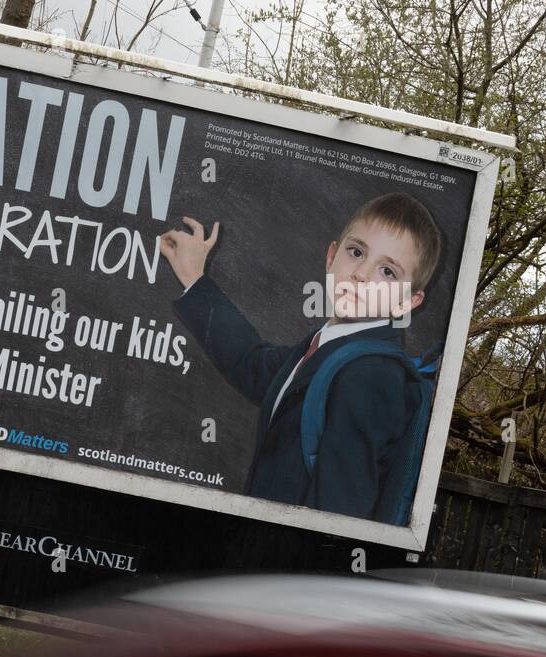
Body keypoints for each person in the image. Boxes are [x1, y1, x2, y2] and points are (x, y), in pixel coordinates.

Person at [160, 192, 442, 522]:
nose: (361, 274)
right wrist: (194, 278)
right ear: (331, 256)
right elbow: (253, 366)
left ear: (407, 302)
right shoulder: (328, 346)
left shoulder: (370, 374)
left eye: (388, 272)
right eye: (356, 252)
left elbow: (336, 519)